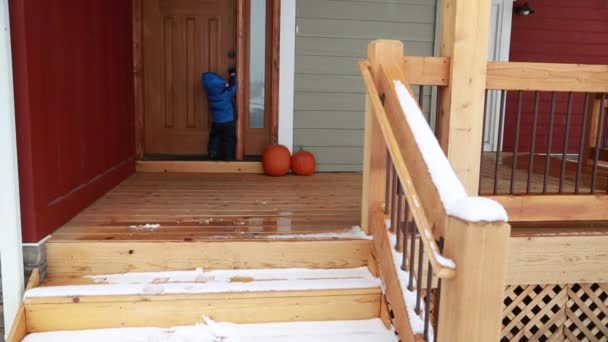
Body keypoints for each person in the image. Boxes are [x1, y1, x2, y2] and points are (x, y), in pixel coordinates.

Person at [201, 69, 237, 160]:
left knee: (215, 137)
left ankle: (213, 153)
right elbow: (233, 87)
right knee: (229, 139)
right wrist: (233, 75)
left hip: (216, 121)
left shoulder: (210, 93)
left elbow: (224, 87)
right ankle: (228, 157)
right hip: (228, 121)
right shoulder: (226, 93)